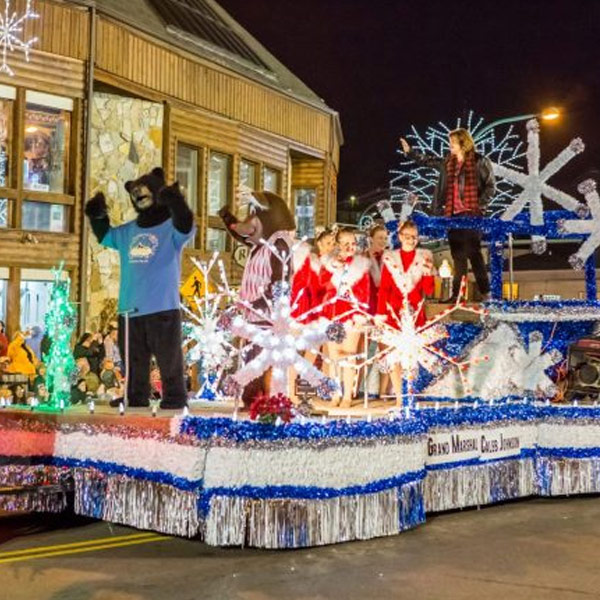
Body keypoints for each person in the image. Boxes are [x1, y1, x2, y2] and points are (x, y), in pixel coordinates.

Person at [400, 128, 495, 301]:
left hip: (472, 215)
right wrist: (410, 153)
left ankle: (486, 292)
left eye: (452, 141)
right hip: (452, 215)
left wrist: (479, 206)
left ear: (463, 143)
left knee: (474, 253)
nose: (449, 145)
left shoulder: (480, 161)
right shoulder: (448, 162)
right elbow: (428, 161)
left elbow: (490, 187)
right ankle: (457, 294)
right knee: (457, 255)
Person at [376, 220, 435, 405]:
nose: (411, 240)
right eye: (407, 236)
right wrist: (380, 313)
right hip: (393, 313)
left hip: (415, 313)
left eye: (414, 237)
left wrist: (428, 273)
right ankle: (400, 397)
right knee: (394, 354)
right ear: (400, 237)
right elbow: (384, 288)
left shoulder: (424, 257)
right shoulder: (390, 258)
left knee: (411, 355)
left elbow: (430, 290)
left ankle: (409, 392)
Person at [320, 227, 371, 408]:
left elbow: (365, 291)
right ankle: (335, 393)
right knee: (334, 356)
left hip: (352, 313)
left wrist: (360, 314)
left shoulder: (360, 265)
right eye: (346, 243)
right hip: (332, 313)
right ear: (338, 245)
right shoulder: (327, 264)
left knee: (349, 355)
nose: (350, 247)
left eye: (353, 243)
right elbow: (321, 286)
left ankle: (348, 395)